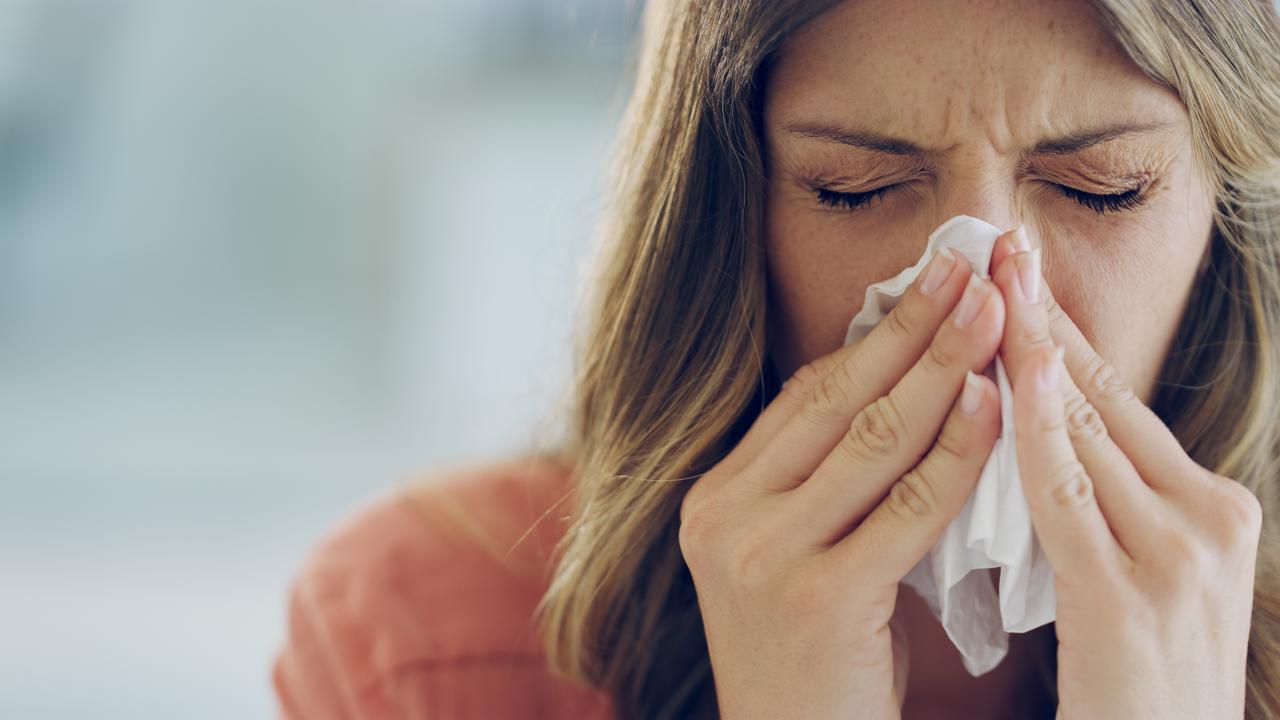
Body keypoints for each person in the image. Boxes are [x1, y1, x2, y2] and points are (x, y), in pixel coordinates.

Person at [271, 0, 1280, 717]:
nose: (980, 304)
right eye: (852, 186)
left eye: (1102, 188)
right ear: (727, 213)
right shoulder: (431, 639)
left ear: (1224, 215)